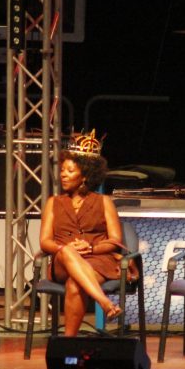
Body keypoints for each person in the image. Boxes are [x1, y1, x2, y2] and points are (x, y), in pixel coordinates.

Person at [39, 130, 123, 337]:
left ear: (85, 175)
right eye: (62, 170)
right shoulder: (53, 203)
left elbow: (115, 241)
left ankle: (69, 343)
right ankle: (104, 302)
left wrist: (91, 248)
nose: (63, 175)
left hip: (98, 260)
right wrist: (64, 248)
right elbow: (45, 242)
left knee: (75, 284)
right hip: (62, 261)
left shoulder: (104, 202)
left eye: (70, 171)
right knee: (67, 251)